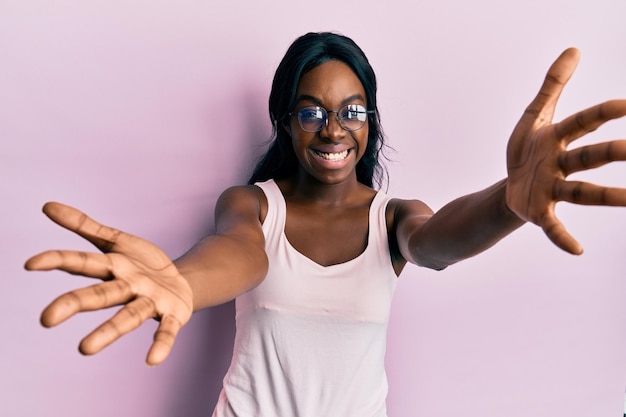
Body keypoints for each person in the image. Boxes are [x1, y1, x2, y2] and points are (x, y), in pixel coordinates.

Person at [25, 32, 626, 417]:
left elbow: (437, 243)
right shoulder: (254, 205)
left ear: (370, 122)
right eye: (311, 112)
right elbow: (237, 254)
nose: (333, 130)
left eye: (351, 112)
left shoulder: (393, 218)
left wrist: (507, 202)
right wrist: (181, 282)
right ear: (286, 122)